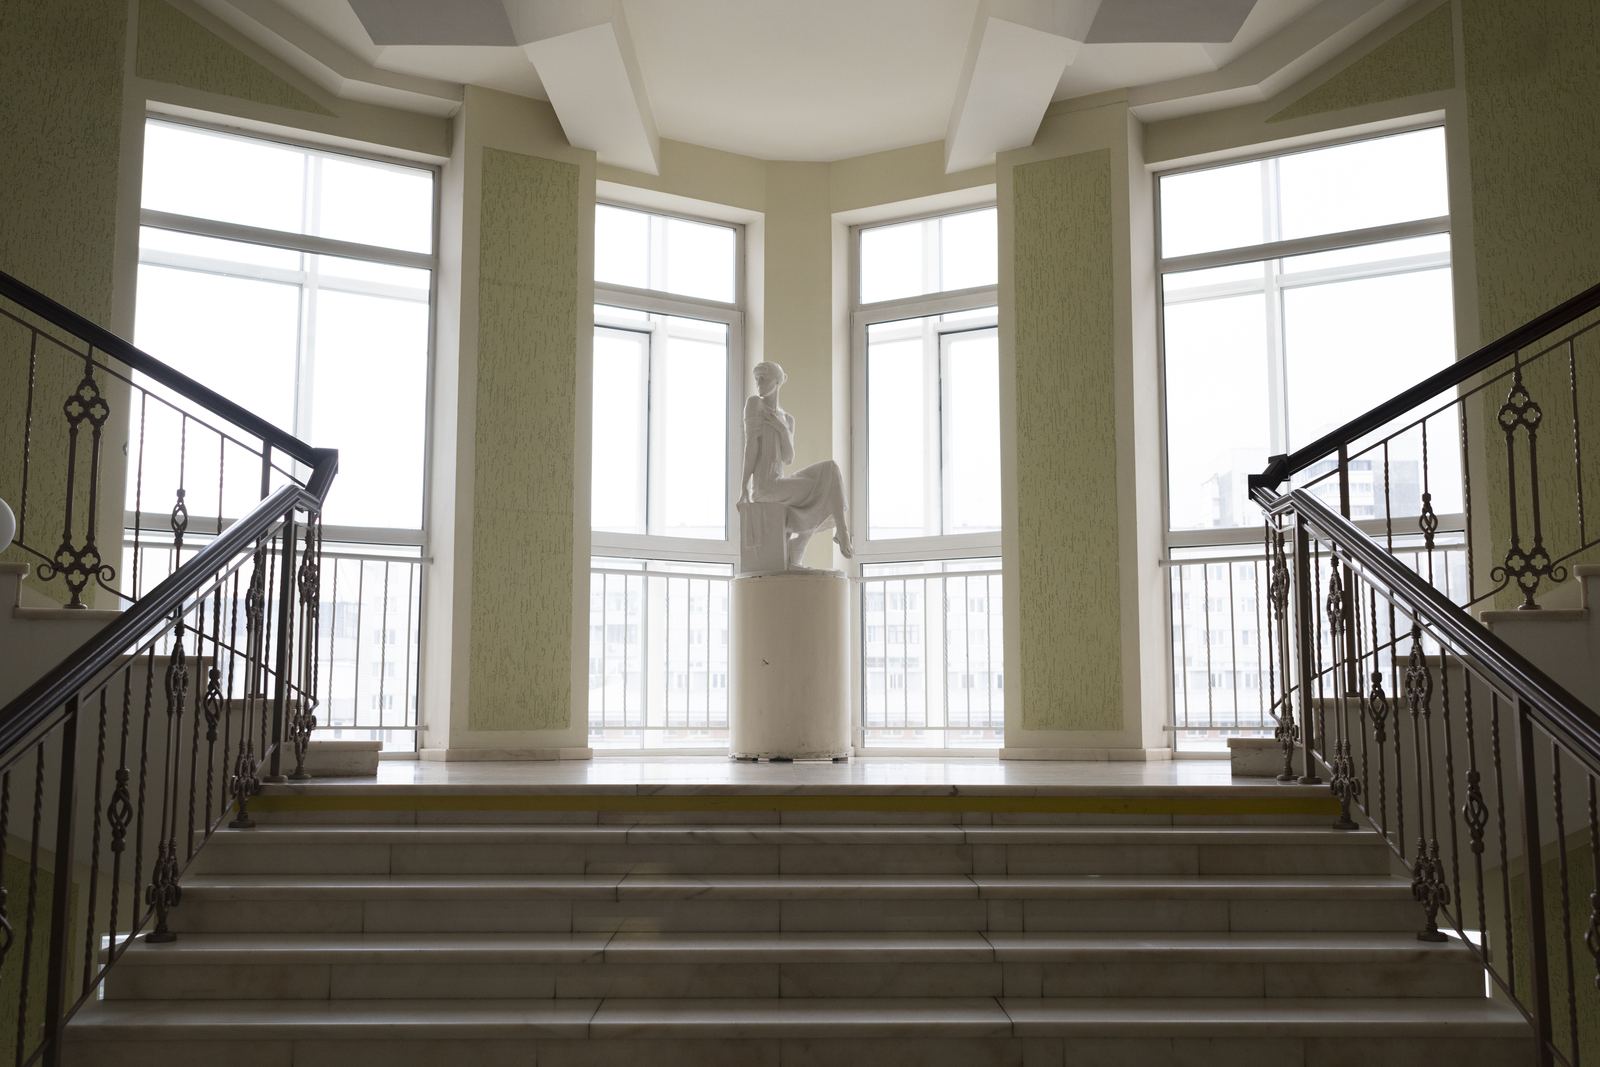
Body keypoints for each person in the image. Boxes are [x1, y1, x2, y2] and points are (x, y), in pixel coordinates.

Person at [736, 361, 853, 568]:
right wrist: (744, 486)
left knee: (830, 469)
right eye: (757, 379)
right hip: (765, 487)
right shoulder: (754, 405)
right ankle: (838, 532)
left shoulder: (787, 419)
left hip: (779, 482)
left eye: (764, 378)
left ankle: (833, 534)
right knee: (824, 488)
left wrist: (782, 429)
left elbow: (788, 458)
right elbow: (751, 446)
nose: (759, 383)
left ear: (778, 381)